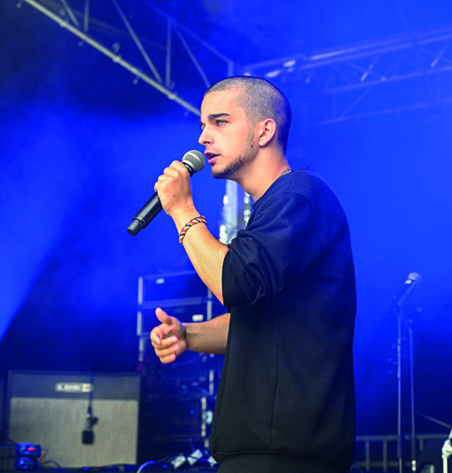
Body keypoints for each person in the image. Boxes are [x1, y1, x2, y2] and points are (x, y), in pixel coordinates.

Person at [150, 76, 357, 473]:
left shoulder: (299, 194)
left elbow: (237, 284)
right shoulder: (270, 209)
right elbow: (259, 319)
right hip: (261, 450)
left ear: (265, 130)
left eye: (220, 122)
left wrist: (182, 212)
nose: (204, 138)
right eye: (202, 126)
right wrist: (188, 335)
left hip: (286, 451)